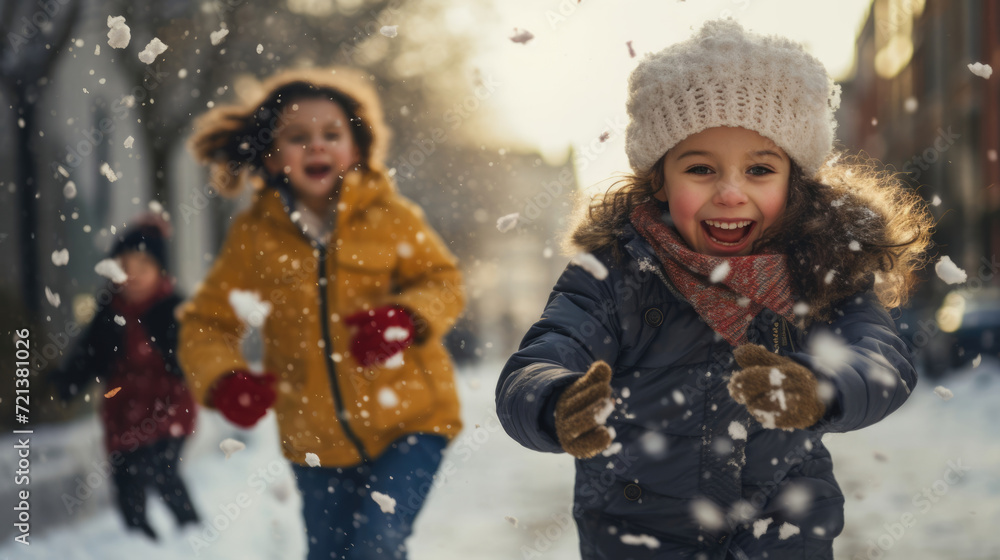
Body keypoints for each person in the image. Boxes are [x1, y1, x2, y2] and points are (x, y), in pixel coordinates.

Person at [496, 20, 934, 560]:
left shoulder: (820, 272)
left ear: (794, 182)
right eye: (701, 168)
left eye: (759, 170)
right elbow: (537, 360)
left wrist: (820, 388)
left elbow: (882, 360)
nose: (730, 193)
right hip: (640, 540)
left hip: (779, 536)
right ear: (660, 179)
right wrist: (554, 401)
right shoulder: (614, 273)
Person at [180, 67, 464, 560]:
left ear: (355, 149)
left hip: (412, 421)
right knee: (330, 553)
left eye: (332, 135)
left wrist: (405, 318)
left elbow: (444, 282)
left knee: (377, 542)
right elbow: (207, 322)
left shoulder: (391, 216)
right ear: (271, 156)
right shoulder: (254, 236)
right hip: (312, 437)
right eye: (298, 137)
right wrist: (224, 378)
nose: (317, 146)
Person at [51, 219, 200, 540]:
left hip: (168, 405)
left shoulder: (172, 308)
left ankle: (191, 530)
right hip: (123, 408)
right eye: (125, 266)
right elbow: (87, 355)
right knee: (126, 475)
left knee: (162, 469)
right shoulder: (108, 312)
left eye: (143, 265)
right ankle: (138, 538)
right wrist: (67, 382)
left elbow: (196, 352)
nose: (132, 275)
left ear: (161, 270)